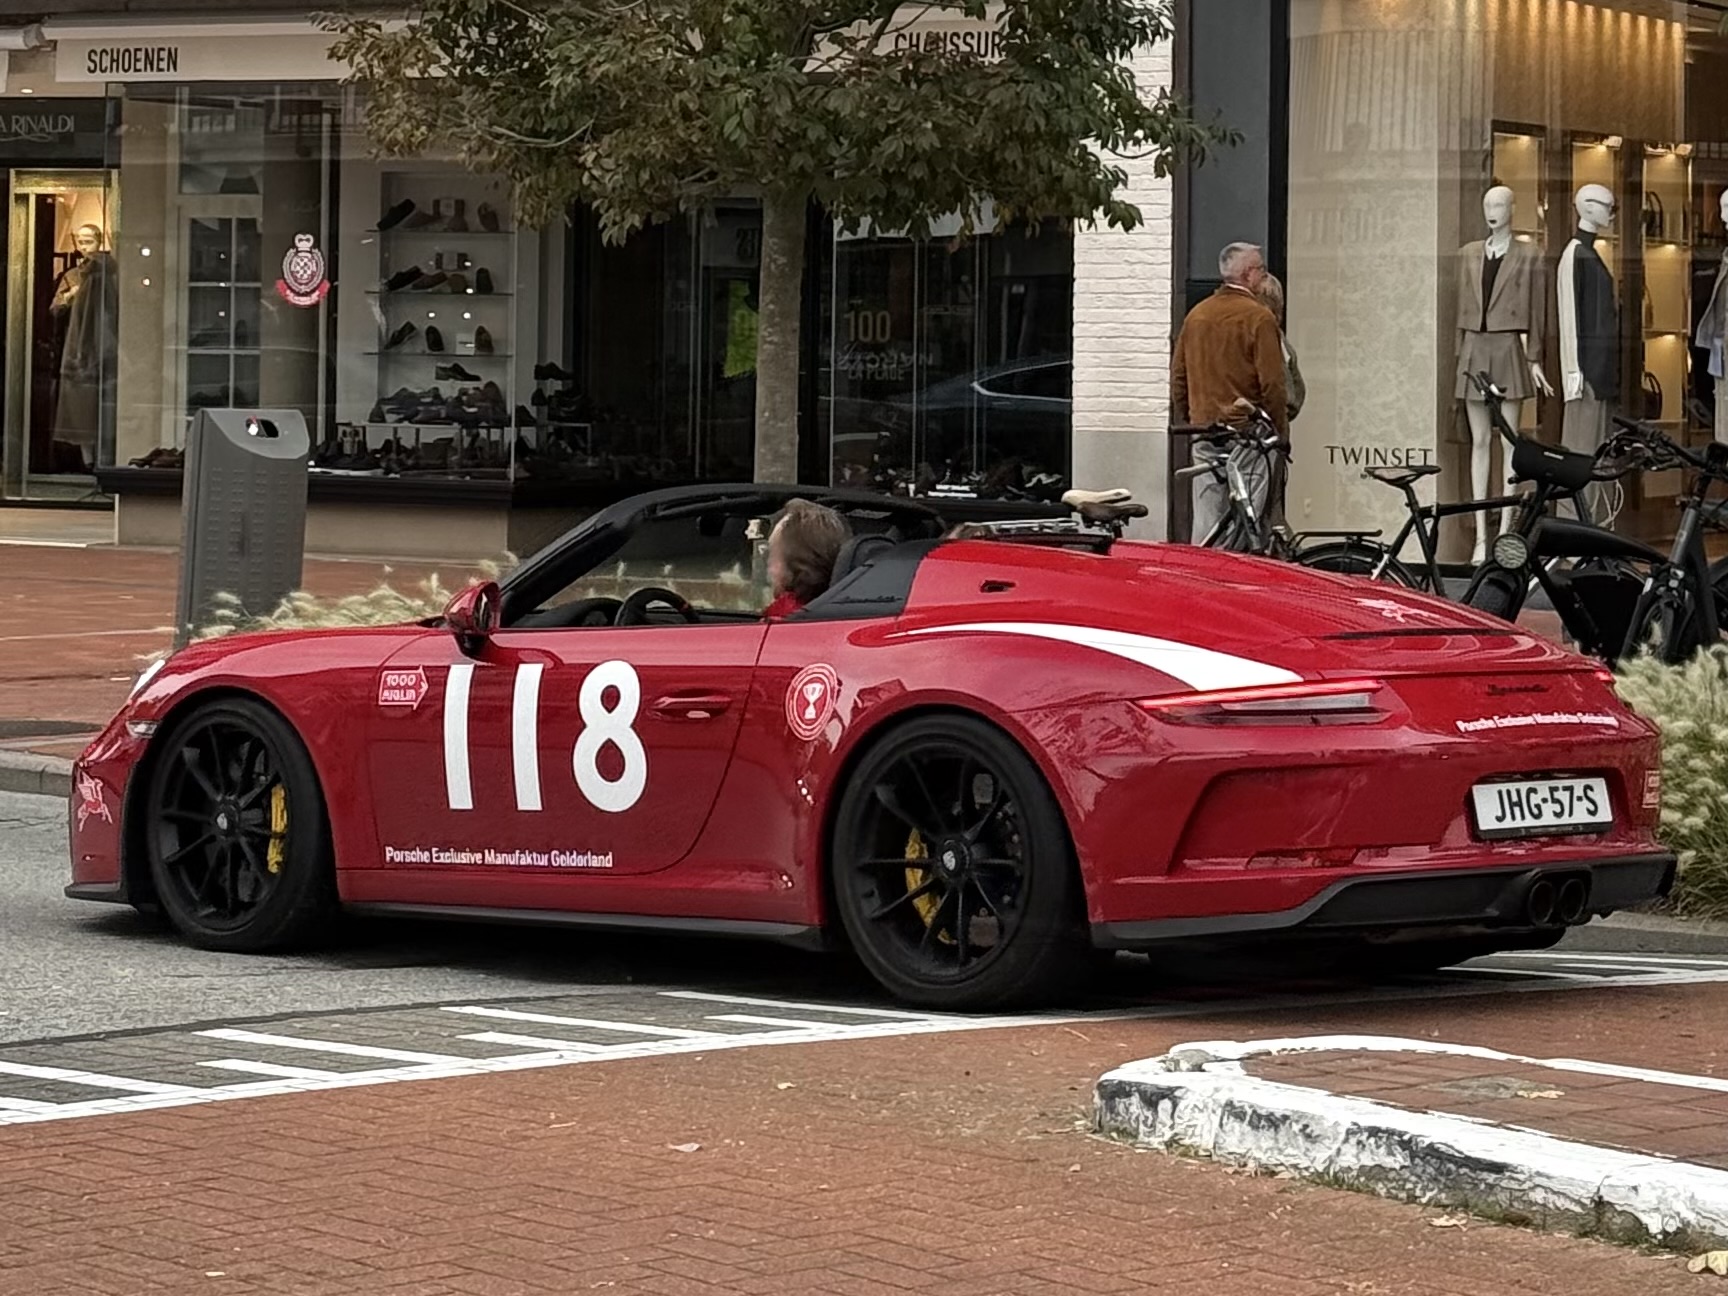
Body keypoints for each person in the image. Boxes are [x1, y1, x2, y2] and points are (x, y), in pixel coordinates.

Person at [1171, 242, 1289, 543]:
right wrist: (1280, 433)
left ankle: (1203, 573)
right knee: (1249, 516)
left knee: (1208, 517)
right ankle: (1235, 576)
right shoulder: (1258, 318)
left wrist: (1190, 419)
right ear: (1248, 274)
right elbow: (1273, 385)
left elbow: (1179, 377)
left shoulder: (1196, 316)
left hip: (1204, 430)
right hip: (1247, 434)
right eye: (1261, 269)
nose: (1264, 276)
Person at [763, 498, 851, 619]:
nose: (769, 568)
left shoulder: (783, 620)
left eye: (773, 556)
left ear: (799, 564)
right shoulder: (849, 613)